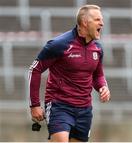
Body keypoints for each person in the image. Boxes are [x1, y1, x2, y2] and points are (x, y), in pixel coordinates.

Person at [28, 4, 111, 142]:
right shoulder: (59, 45)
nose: (102, 23)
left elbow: (98, 75)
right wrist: (34, 105)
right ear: (85, 22)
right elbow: (35, 70)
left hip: (85, 109)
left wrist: (103, 86)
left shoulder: (97, 48)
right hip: (59, 106)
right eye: (97, 20)